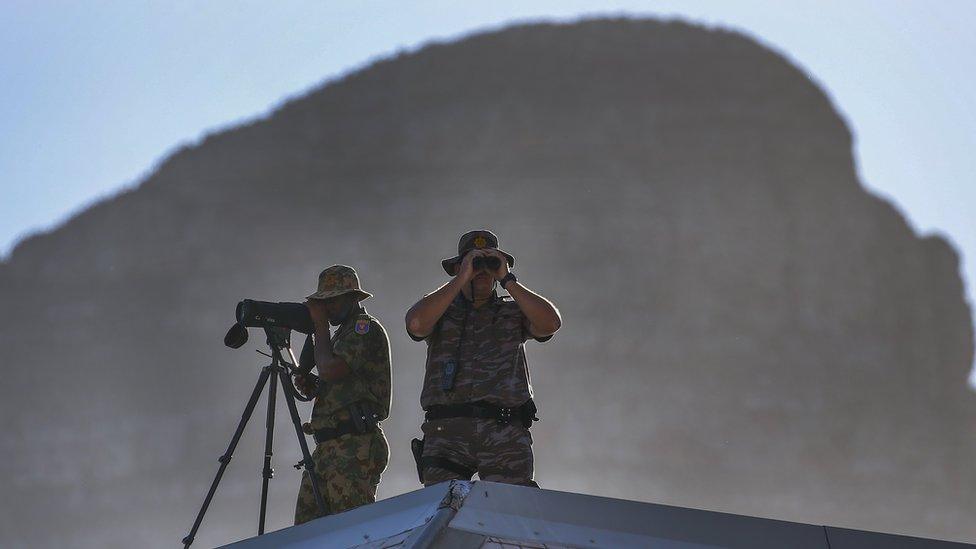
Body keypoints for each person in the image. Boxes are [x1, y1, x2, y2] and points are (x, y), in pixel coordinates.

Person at [405, 230, 561, 487]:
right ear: (458, 268)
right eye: (475, 263)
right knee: (443, 510)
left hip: (504, 431)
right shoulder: (441, 311)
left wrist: (507, 278)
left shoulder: (512, 311)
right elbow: (416, 323)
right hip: (447, 432)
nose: (482, 272)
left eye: (489, 264)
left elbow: (550, 323)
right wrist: (462, 277)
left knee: (510, 512)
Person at [292, 265, 391, 525]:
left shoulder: (364, 328)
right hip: (328, 447)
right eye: (324, 302)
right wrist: (314, 387)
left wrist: (319, 325)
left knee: (350, 533)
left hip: (354, 445)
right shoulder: (339, 337)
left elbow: (330, 369)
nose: (328, 307)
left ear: (353, 298)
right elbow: (336, 379)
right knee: (307, 534)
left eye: (333, 300)